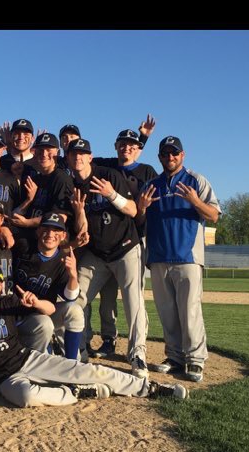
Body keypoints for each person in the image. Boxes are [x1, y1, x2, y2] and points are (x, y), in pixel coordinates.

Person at [0, 268, 188, 406]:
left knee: (89, 369)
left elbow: (51, 309)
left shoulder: (6, 303)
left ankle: (150, 389)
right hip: (0, 379)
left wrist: (35, 304)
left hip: (26, 360)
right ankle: (75, 394)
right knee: (26, 398)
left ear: (0, 286)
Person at [137, 135, 221, 382]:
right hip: (159, 256)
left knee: (190, 310)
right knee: (167, 312)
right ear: (160, 157)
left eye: (174, 153)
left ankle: (195, 360)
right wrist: (141, 208)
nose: (170, 157)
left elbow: (214, 215)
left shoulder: (196, 180)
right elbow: (139, 222)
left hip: (188, 256)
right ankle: (175, 357)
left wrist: (195, 201)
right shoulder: (151, 185)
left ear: (182, 155)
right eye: (165, 153)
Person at [66, 137, 149, 375]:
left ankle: (137, 354)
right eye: (74, 154)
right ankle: (78, 349)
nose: (78, 157)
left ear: (90, 157)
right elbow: (81, 231)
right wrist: (80, 212)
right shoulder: (72, 186)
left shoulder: (109, 175)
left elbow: (133, 210)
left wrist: (112, 194)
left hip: (125, 248)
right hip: (97, 253)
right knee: (76, 299)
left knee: (134, 301)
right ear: (69, 158)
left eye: (83, 153)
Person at [83, 120, 158, 359]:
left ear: (138, 148)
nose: (127, 148)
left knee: (134, 299)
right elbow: (82, 161)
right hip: (103, 244)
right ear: (115, 146)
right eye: (122, 144)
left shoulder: (145, 171)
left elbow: (143, 209)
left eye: (132, 145)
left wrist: (142, 139)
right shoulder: (106, 166)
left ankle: (138, 350)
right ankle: (108, 340)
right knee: (106, 301)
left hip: (134, 238)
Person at [13, 212, 84, 359]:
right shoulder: (23, 247)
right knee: (44, 329)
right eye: (46, 229)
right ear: (38, 231)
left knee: (75, 311)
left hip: (43, 311)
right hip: (14, 313)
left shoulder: (62, 261)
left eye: (56, 230)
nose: (50, 234)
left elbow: (70, 297)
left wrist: (73, 275)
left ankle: (72, 364)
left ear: (63, 235)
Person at [10, 132, 73, 242]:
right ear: (34, 152)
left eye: (49, 150)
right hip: (28, 242)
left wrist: (27, 223)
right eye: (40, 150)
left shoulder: (61, 178)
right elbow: (15, 214)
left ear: (57, 153)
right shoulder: (35, 178)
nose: (44, 154)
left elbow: (60, 216)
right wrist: (29, 199)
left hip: (48, 242)